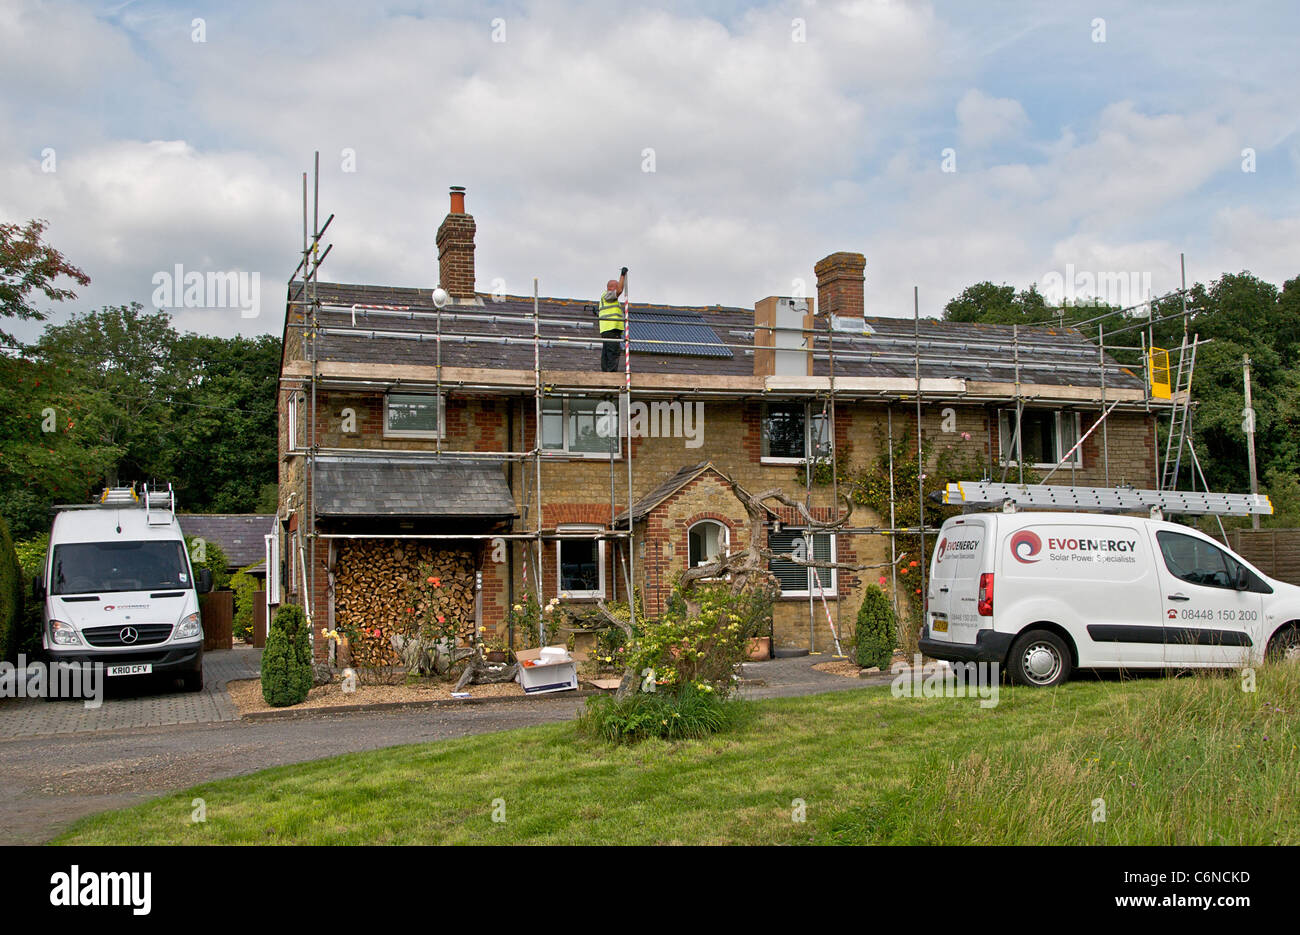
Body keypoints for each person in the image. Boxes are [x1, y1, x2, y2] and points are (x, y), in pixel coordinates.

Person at [597, 267, 628, 373]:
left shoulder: (609, 300)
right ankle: (611, 376)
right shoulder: (607, 296)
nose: (619, 287)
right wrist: (622, 276)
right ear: (611, 288)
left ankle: (605, 374)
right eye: (617, 286)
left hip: (607, 330)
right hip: (611, 329)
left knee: (606, 352)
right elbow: (619, 290)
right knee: (613, 352)